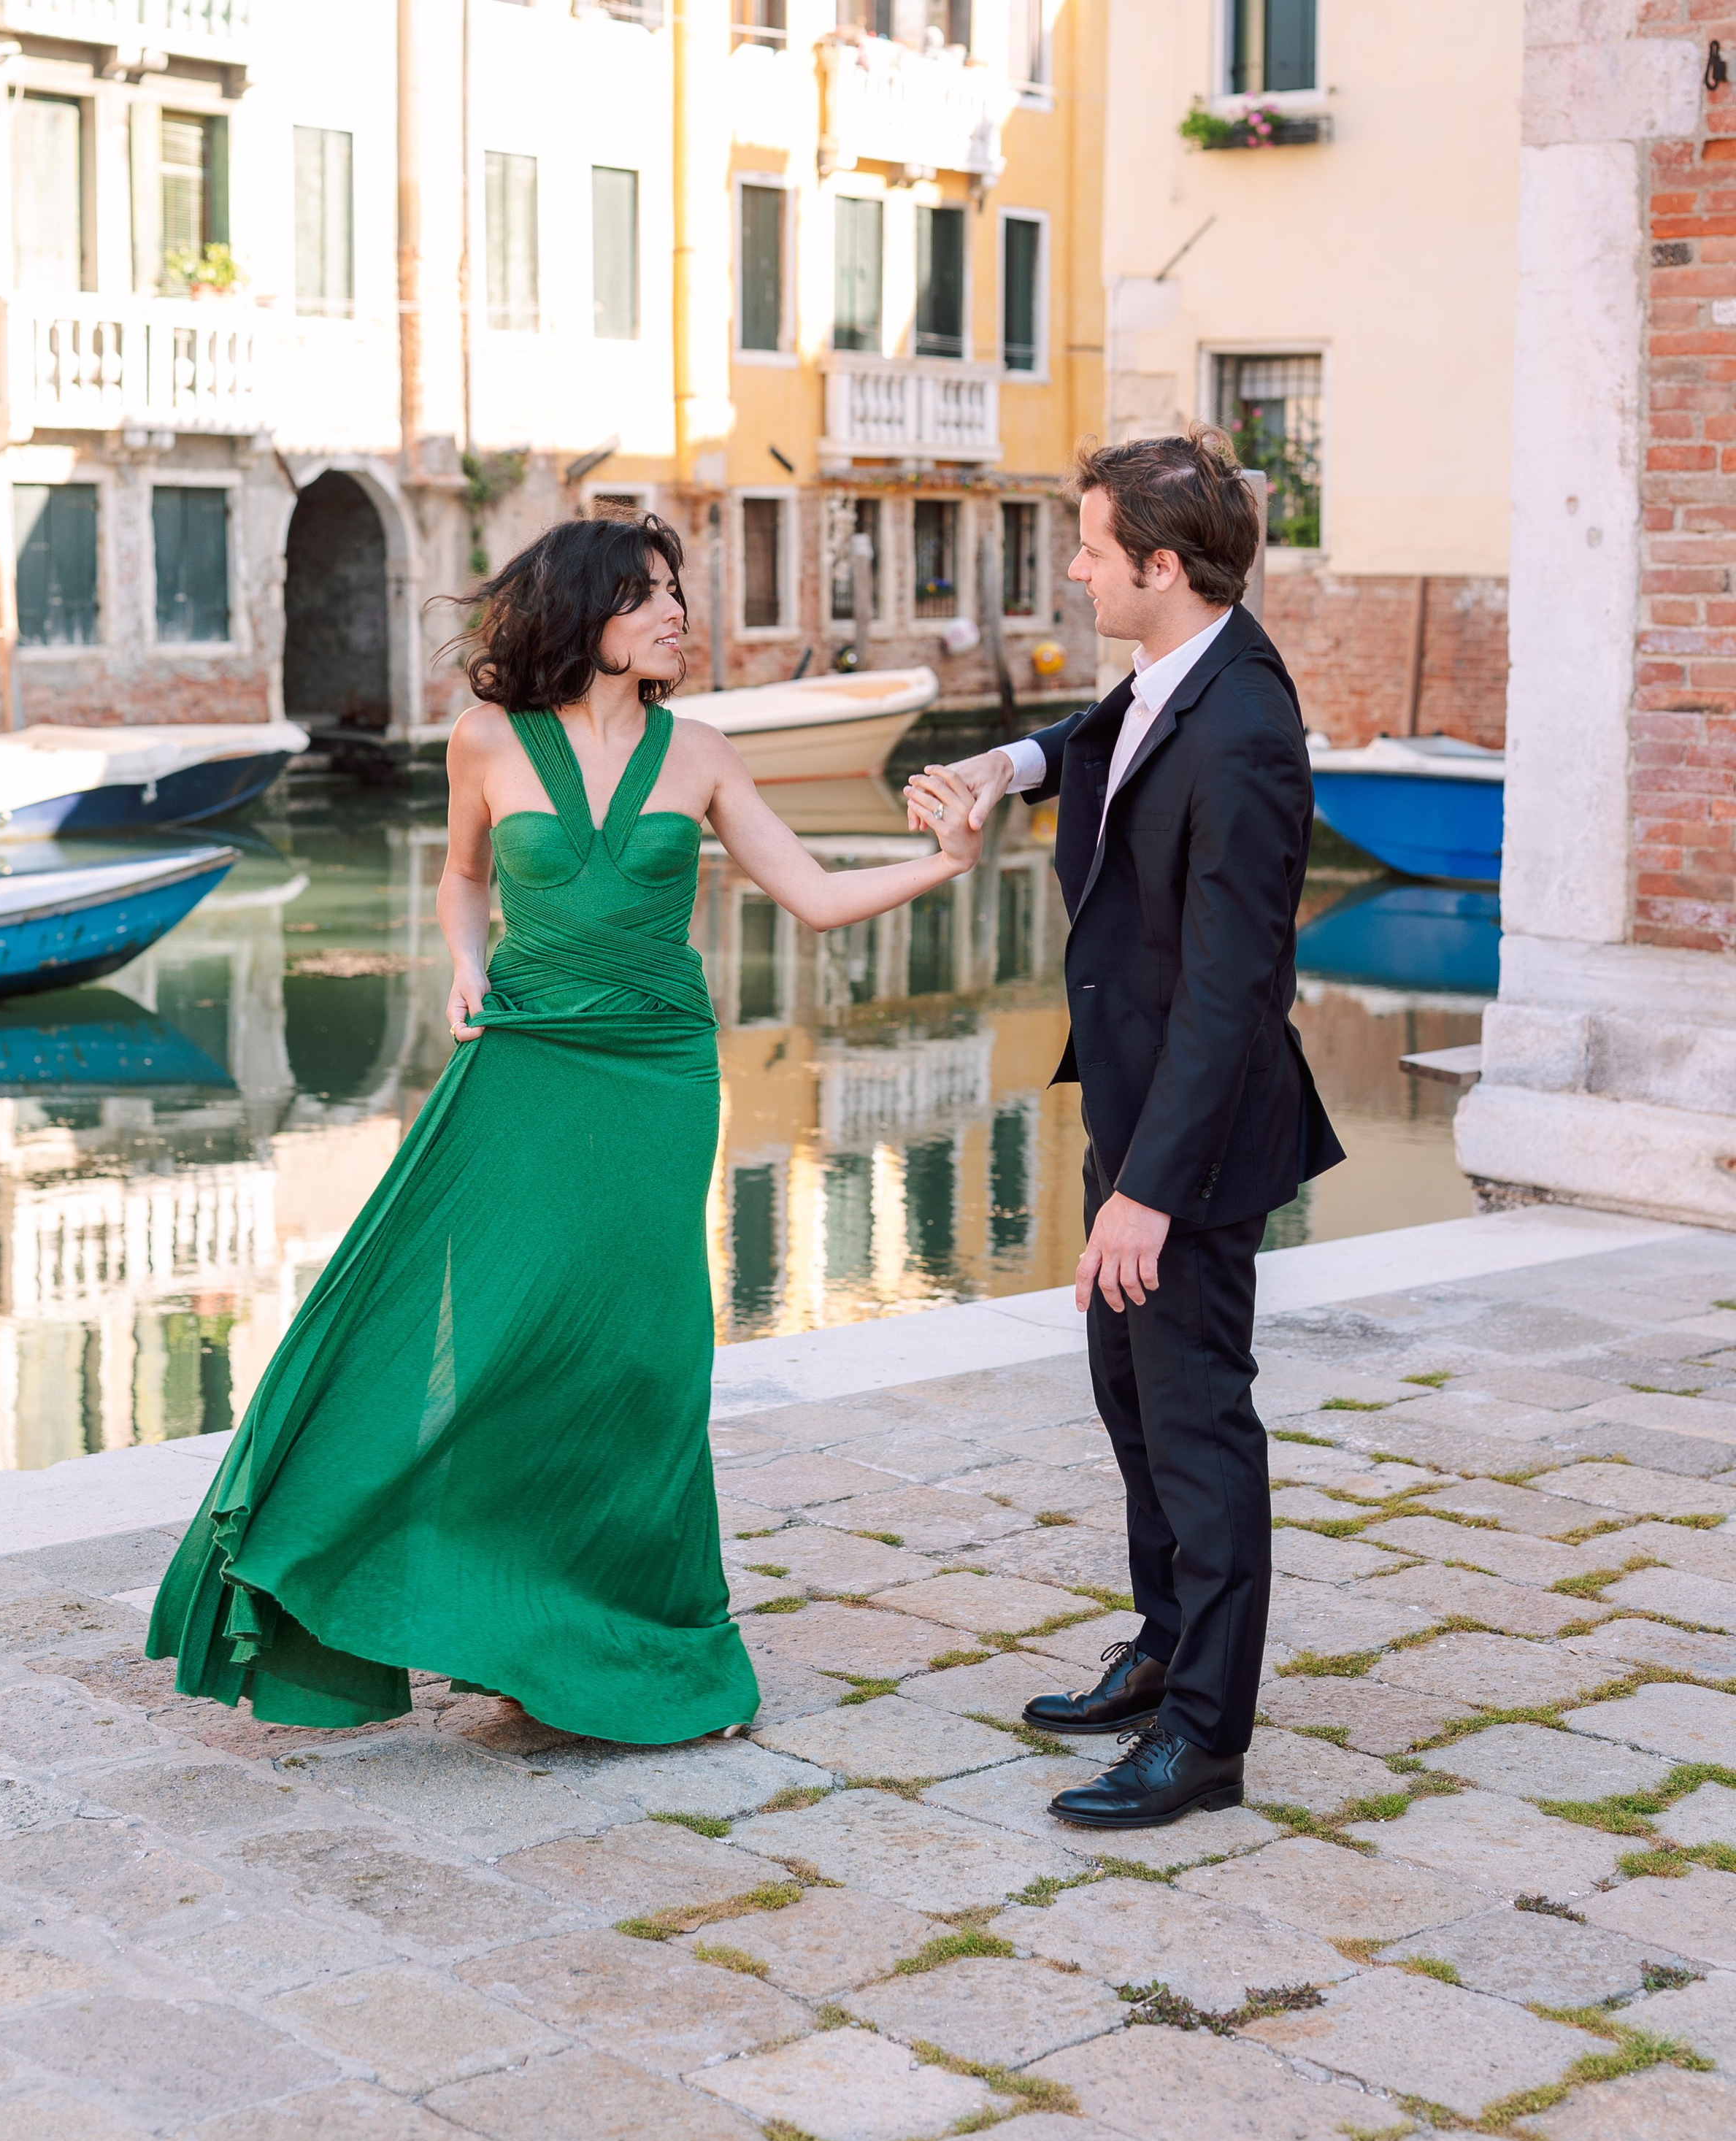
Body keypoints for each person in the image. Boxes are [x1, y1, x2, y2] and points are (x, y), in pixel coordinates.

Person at [147, 513, 980, 1745]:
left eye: (674, 594)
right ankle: (483, 1612)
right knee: (493, 1334)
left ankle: (635, 1633)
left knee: (641, 1357)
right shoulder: (486, 740)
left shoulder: (699, 754)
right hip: (528, 1062)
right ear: (586, 612)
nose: (674, 613)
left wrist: (947, 864)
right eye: (648, 595)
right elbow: (462, 877)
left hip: (656, 1075)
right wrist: (464, 967)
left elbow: (808, 895)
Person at [910, 431, 1343, 1831]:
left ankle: (1206, 1740)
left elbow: (1236, 990)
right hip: (1134, 1106)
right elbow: (1108, 734)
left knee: (1200, 1425)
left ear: (1163, 566)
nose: (1078, 569)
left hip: (1193, 1148)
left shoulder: (1248, 729)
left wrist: (1151, 1191)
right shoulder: (1177, 675)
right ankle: (1166, 1648)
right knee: (1128, 1395)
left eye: (1093, 548)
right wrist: (1010, 761)